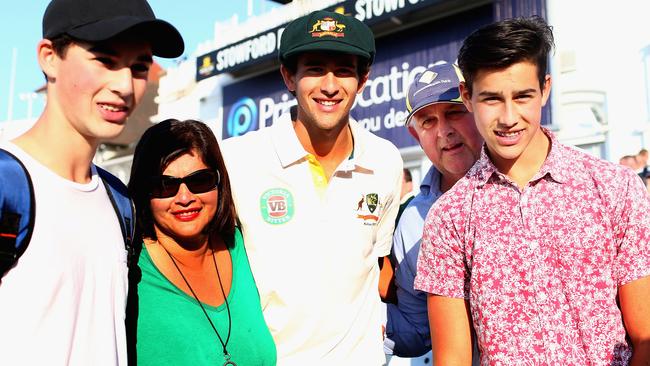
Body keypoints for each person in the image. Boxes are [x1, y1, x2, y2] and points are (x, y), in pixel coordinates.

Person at [414, 16, 650, 365]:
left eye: (523, 96)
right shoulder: (449, 217)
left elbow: (645, 335)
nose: (509, 117)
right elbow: (453, 359)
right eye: (492, 99)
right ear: (467, 96)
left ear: (546, 88)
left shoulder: (615, 187)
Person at [0, 0, 183, 365]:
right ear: (49, 57)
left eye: (139, 67)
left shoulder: (120, 202)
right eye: (105, 60)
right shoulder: (8, 184)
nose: (124, 85)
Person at [221, 10, 403, 365]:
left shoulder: (384, 160)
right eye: (315, 69)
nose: (330, 85)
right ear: (289, 77)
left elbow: (378, 265)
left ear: (363, 79)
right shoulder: (237, 159)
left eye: (345, 70)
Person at [127, 119, 276, 365]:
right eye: (165, 186)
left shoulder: (245, 246)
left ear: (219, 181)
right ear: (145, 191)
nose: (184, 197)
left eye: (200, 181)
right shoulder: (129, 270)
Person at [383, 62, 483, 360]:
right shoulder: (412, 220)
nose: (443, 131)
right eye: (427, 121)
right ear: (416, 136)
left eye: (454, 112)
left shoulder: (530, 188)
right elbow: (418, 332)